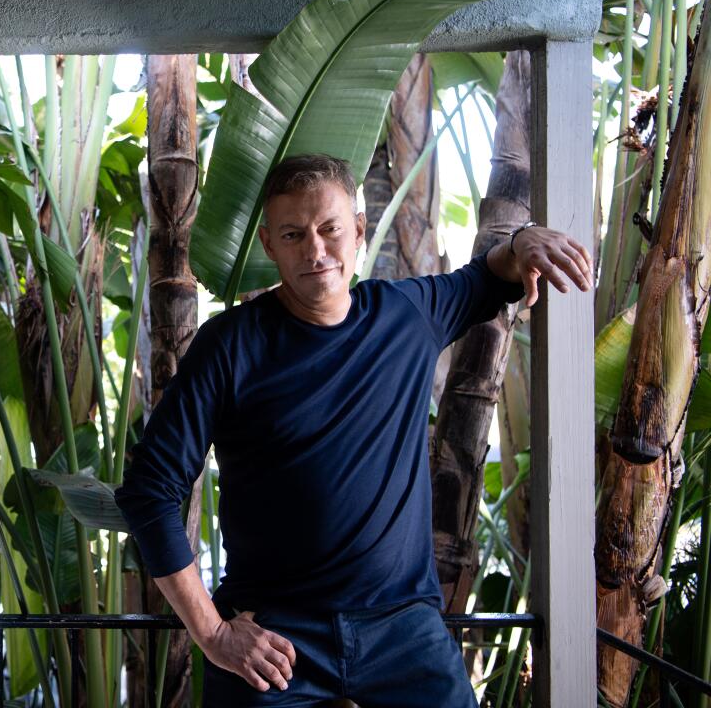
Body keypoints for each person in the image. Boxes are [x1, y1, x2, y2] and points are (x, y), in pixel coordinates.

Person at [113, 154, 592, 707]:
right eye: (293, 235)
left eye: (329, 229)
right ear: (269, 245)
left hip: (402, 631)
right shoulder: (229, 345)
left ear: (358, 231)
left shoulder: (407, 316)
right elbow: (149, 490)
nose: (315, 251)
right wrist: (214, 633)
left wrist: (527, 238)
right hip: (273, 637)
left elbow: (488, 275)